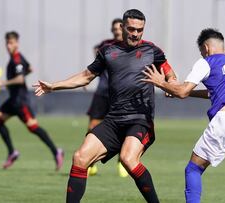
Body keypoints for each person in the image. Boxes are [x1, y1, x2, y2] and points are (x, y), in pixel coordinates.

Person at [34, 9, 177, 203]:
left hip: (140, 120)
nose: (135, 33)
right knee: (80, 157)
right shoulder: (108, 52)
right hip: (114, 120)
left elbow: (171, 74)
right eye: (131, 29)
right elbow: (85, 77)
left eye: (140, 30)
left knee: (128, 159)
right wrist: (54, 86)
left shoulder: (152, 51)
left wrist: (169, 84)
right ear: (122, 28)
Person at [142, 28, 225, 203]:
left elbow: (182, 91)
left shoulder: (207, 62)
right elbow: (213, 92)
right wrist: (186, 92)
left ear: (206, 48)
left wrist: (161, 83)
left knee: (193, 169)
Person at [0, 31, 64, 170]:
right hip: (12, 100)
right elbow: (30, 68)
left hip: (20, 101)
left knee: (33, 128)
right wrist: (23, 74)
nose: (8, 45)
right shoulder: (17, 58)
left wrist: (3, 82)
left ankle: (57, 152)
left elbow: (20, 79)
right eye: (7, 43)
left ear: (16, 44)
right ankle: (12, 152)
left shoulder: (17, 59)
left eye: (11, 43)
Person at [86, 18, 128, 178]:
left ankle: (122, 162)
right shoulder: (106, 45)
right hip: (102, 92)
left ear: (123, 29)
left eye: (119, 29)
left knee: (123, 128)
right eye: (115, 29)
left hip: (119, 95)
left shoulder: (130, 48)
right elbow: (96, 57)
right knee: (92, 126)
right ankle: (91, 163)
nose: (117, 31)